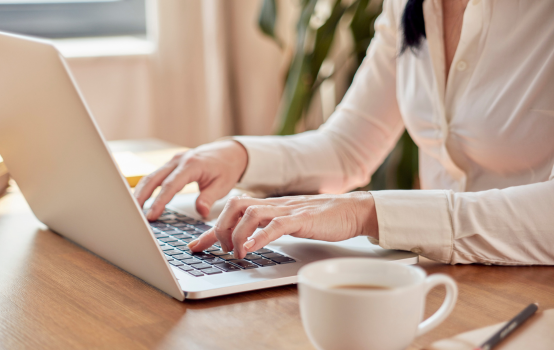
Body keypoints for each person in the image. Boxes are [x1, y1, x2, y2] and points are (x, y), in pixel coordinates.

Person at [134, 0, 554, 265]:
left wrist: (363, 212)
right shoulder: (408, 7)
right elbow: (348, 148)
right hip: (440, 280)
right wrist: (238, 155)